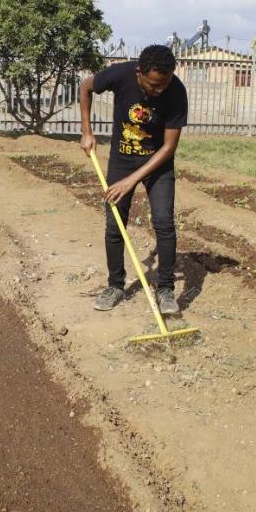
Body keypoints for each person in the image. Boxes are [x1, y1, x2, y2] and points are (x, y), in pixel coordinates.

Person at [79, 44, 187, 314]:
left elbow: (168, 147)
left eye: (164, 84)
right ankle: (115, 285)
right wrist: (86, 132)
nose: (159, 91)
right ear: (139, 73)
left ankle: (165, 290)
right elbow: (85, 87)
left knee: (164, 223)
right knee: (115, 224)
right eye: (153, 85)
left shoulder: (175, 91)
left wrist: (132, 180)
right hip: (122, 160)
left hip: (158, 164)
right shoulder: (120, 75)